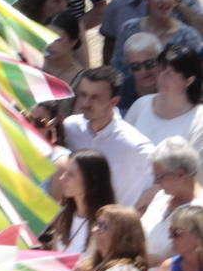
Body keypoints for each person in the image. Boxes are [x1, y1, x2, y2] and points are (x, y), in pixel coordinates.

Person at [63, 67, 152, 209]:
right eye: (83, 95)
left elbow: (156, 187)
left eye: (95, 97)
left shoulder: (136, 145)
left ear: (114, 102)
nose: (86, 103)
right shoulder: (70, 127)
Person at [114, 0, 203, 75]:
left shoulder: (189, 36)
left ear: (175, 1)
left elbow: (194, 77)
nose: (164, 0)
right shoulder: (129, 29)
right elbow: (117, 69)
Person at [127, 45, 203, 153]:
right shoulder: (141, 104)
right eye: (160, 70)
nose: (162, 76)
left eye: (170, 73)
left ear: (189, 81)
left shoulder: (200, 120)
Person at [141, 138, 203, 270]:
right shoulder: (160, 197)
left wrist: (164, 263)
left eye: (159, 177)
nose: (155, 183)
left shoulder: (200, 208)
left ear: (180, 174)